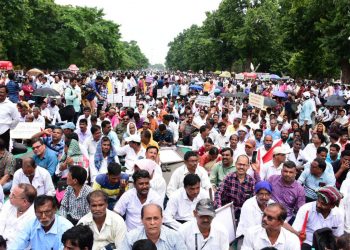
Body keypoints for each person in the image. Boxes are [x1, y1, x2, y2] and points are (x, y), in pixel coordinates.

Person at [8, 195, 73, 250]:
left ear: (55, 210)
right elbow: (17, 244)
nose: (43, 216)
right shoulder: (30, 224)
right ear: (35, 212)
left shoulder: (67, 228)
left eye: (47, 212)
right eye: (39, 212)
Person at [121, 204, 186, 250]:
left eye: (156, 218)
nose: (152, 223)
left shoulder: (174, 236)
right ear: (142, 220)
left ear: (162, 219)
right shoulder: (131, 237)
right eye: (148, 219)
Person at [215, 154, 256, 219]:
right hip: (228, 213)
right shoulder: (228, 178)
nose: (241, 167)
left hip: (245, 214)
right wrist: (220, 209)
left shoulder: (251, 181)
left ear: (248, 166)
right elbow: (218, 193)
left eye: (244, 165)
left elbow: (254, 200)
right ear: (236, 164)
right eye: (239, 164)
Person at [0, 85, 19, 151]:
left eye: (2, 92)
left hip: (4, 133)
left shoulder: (11, 105)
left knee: (4, 153)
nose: (0, 93)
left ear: (6, 94)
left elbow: (16, 119)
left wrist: (9, 127)